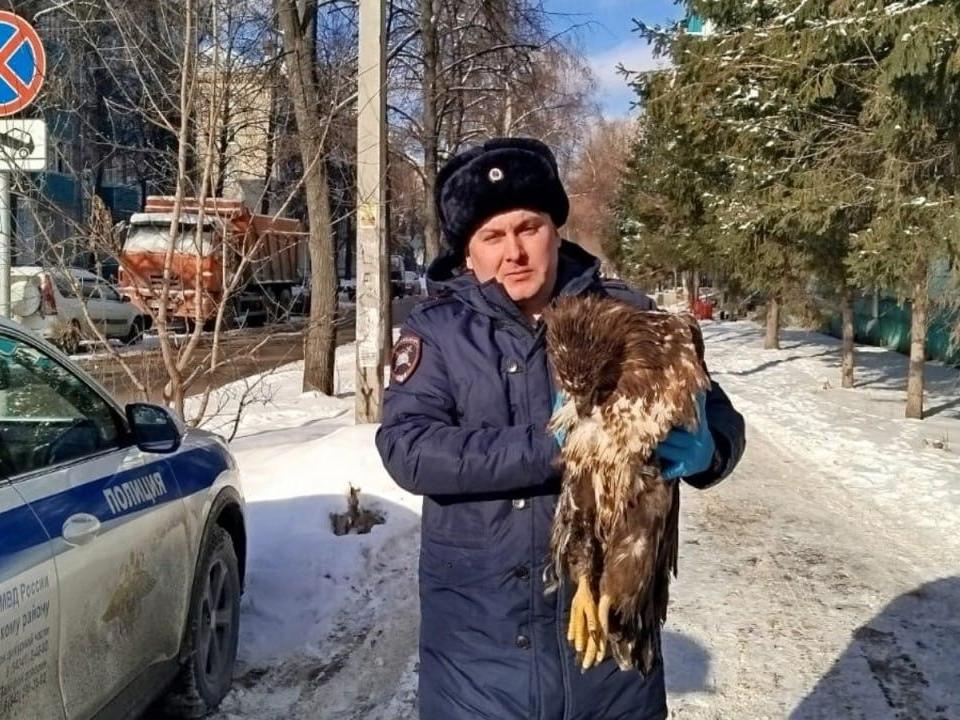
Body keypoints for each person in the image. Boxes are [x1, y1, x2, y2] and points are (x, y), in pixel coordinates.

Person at [375, 137, 745, 720]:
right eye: (492, 237)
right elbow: (409, 449)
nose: (514, 252)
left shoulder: (626, 314)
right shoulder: (438, 333)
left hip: (612, 657)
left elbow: (716, 413)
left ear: (555, 230)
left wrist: (710, 449)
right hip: (479, 657)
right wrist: (557, 447)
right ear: (468, 254)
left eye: (528, 228)